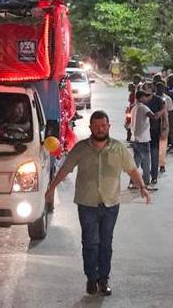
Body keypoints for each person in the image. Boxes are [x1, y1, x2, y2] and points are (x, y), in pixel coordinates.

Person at [45, 111, 150, 296]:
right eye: (97, 126)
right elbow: (65, 169)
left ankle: (104, 280)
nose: (101, 129)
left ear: (108, 126)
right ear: (91, 127)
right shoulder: (80, 148)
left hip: (110, 204)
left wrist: (142, 186)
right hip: (87, 204)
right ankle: (91, 279)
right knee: (90, 243)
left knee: (105, 243)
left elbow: (131, 169)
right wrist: (51, 189)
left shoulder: (118, 148)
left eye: (104, 126)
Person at [129, 90, 158, 190]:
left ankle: (132, 182)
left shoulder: (134, 108)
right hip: (143, 139)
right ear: (141, 98)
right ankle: (146, 183)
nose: (147, 99)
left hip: (135, 138)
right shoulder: (143, 107)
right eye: (145, 97)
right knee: (146, 162)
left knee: (136, 162)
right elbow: (154, 117)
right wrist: (163, 110)